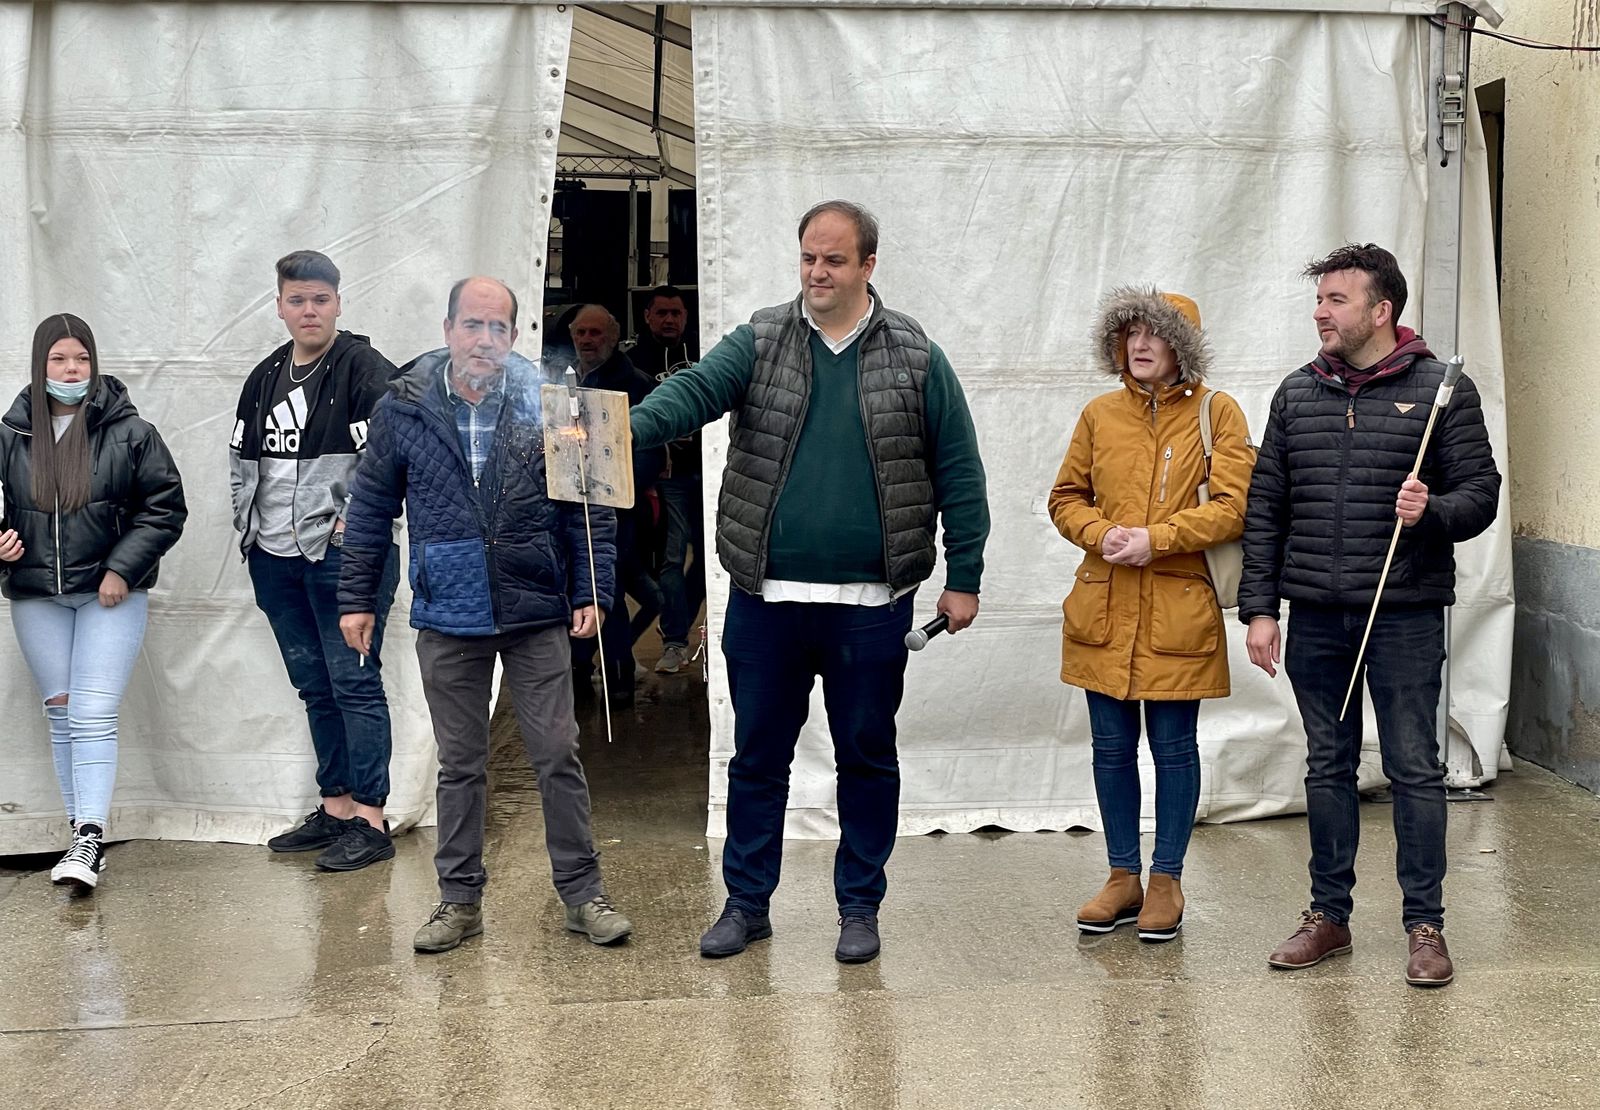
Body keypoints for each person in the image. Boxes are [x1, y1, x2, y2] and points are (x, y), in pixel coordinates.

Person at [627, 200, 991, 964]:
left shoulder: (916, 354)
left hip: (870, 609)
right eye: (807, 258)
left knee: (867, 759)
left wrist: (965, 574)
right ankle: (746, 904)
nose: (817, 273)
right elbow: (692, 393)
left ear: (867, 265)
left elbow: (958, 468)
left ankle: (859, 907)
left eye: (833, 260)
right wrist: (623, 428)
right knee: (757, 759)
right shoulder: (760, 339)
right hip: (767, 605)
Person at [337, 276, 633, 954]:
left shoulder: (553, 404)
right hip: (450, 608)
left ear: (514, 336)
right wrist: (355, 598)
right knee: (461, 763)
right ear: (447, 330)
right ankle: (459, 901)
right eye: (473, 325)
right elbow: (371, 509)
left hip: (535, 606)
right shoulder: (403, 408)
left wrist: (592, 587)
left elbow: (589, 509)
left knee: (557, 753)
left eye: (498, 328)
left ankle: (583, 894)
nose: (485, 340)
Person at [1240, 244, 1500, 988]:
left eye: (1336, 300)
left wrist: (1433, 511)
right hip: (1317, 613)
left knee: (1415, 768)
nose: (1320, 311)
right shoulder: (1296, 394)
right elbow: (1267, 509)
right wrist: (1260, 608)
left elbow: (1480, 494)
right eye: (1319, 299)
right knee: (1327, 764)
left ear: (1382, 311)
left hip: (1405, 614)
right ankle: (1329, 915)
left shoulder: (1442, 391)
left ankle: (1426, 925)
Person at [1049, 288, 1254, 942]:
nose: (1139, 346)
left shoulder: (1218, 414)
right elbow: (1064, 497)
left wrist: (1156, 538)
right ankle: (1120, 877)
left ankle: (1166, 879)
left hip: (1176, 610)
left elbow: (1235, 504)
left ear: (1182, 346)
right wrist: (1098, 531)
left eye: (1154, 334)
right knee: (1110, 750)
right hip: (1103, 608)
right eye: (1130, 333)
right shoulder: (1099, 414)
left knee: (1172, 749)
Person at [0, 314, 187, 890]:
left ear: (93, 363)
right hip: (36, 597)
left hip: (108, 597)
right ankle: (78, 834)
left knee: (92, 714)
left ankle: (88, 840)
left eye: (80, 359)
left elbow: (165, 508)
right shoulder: (11, 435)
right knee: (61, 712)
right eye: (59, 359)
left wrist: (120, 570)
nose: (71, 369)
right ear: (40, 364)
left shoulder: (131, 432)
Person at [230, 250, 402, 871]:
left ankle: (371, 819)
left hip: (344, 560)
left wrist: (355, 524)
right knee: (315, 685)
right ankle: (335, 808)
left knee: (354, 682)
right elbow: (240, 463)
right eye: (297, 300)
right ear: (279, 306)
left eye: (320, 299)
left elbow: (394, 453)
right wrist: (248, 530)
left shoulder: (363, 367)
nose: (309, 310)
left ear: (338, 302)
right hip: (275, 559)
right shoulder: (265, 376)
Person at [567, 304, 664, 704]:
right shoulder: (565, 380)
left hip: (618, 511)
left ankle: (618, 675)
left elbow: (650, 453)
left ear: (613, 336)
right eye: (581, 334)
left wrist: (618, 493)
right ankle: (583, 668)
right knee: (582, 589)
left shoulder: (637, 384)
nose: (588, 341)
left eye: (596, 334)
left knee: (612, 590)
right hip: (570, 506)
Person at [628, 285, 704, 675]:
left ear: (687, 316)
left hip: (709, 473)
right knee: (670, 561)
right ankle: (674, 640)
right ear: (648, 316)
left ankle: (680, 623)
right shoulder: (633, 361)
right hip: (667, 475)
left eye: (676, 312)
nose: (670, 320)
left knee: (710, 563)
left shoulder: (707, 353)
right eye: (662, 313)